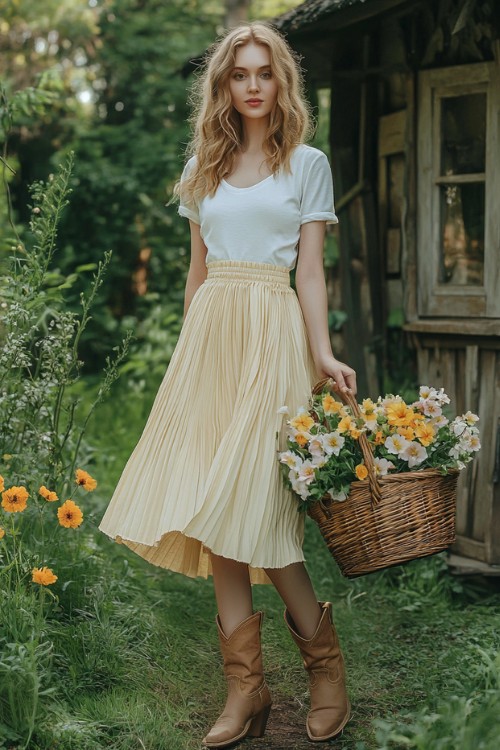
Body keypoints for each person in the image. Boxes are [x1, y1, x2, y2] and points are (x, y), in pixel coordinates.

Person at [98, 20, 357, 748]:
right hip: (211, 339)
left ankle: (325, 668)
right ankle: (245, 689)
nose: (251, 85)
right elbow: (196, 271)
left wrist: (323, 352)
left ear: (282, 84)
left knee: (259, 509)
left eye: (263, 73)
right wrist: (187, 356)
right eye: (238, 74)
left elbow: (309, 271)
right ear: (222, 85)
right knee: (219, 514)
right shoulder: (200, 168)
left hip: (273, 333)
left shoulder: (308, 163)